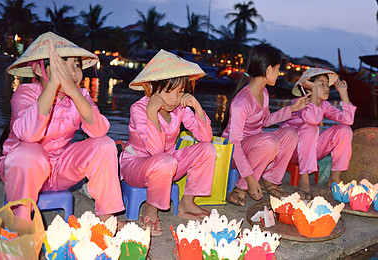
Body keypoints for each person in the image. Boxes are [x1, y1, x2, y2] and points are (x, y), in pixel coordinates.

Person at [0, 32, 125, 228]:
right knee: (29, 152)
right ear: (40, 69)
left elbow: (99, 130)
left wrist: (73, 92)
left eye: (76, 65)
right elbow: (28, 134)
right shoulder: (26, 93)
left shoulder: (80, 95)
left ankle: (107, 217)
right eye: (63, 65)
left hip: (59, 170)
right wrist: (54, 84)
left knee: (105, 145)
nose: (73, 72)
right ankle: (20, 223)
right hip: (23, 169)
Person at [119, 49, 216, 236]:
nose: (175, 99)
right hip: (136, 166)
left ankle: (187, 203)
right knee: (165, 161)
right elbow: (155, 151)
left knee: (207, 149)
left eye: (180, 92)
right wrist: (151, 113)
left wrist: (198, 108)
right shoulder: (138, 109)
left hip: (167, 165)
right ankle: (151, 208)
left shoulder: (180, 108)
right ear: (152, 89)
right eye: (169, 92)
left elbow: (206, 138)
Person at [221, 44, 308, 206]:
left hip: (254, 146)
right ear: (268, 70)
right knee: (269, 141)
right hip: (232, 152)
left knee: (290, 133)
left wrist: (292, 109)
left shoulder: (264, 93)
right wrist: (250, 179)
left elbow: (265, 121)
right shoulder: (241, 103)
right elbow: (234, 144)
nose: (279, 73)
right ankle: (240, 188)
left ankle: (271, 181)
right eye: (277, 69)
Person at [280, 68, 356, 200]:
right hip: (291, 151)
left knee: (345, 130)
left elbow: (348, 120)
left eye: (327, 85)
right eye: (321, 84)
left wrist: (343, 93)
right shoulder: (299, 103)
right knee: (311, 128)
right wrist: (314, 90)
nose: (326, 88)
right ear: (309, 88)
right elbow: (312, 120)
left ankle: (335, 177)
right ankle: (304, 181)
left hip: (310, 152)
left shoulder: (324, 105)